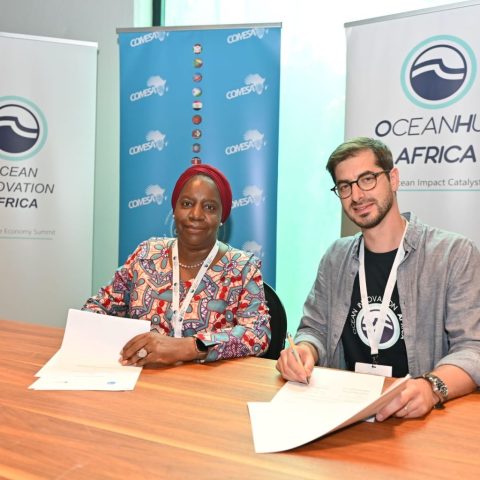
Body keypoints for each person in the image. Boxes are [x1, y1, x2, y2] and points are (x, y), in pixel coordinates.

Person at [276, 137, 480, 420]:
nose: (357, 195)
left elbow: (472, 347)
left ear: (393, 179)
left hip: (420, 417)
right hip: (346, 413)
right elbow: (315, 329)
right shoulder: (336, 256)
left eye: (367, 179)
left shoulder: (453, 254)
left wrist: (431, 388)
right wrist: (304, 350)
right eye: (345, 186)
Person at [83, 163, 271, 366]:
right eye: (187, 204)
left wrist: (188, 347)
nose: (196, 215)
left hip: (207, 381)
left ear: (221, 217)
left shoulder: (242, 267)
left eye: (209, 207)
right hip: (144, 377)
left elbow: (257, 334)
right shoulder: (146, 255)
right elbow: (96, 308)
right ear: (175, 210)